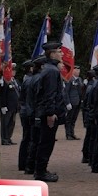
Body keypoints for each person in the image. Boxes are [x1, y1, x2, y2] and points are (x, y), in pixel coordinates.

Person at [29, 42, 67, 182]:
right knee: (46, 143)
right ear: (52, 54)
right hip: (48, 113)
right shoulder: (52, 71)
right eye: (59, 51)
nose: (62, 54)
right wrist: (51, 113)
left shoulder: (49, 69)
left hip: (46, 112)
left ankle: (41, 170)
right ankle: (40, 172)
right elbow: (50, 94)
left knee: (46, 142)